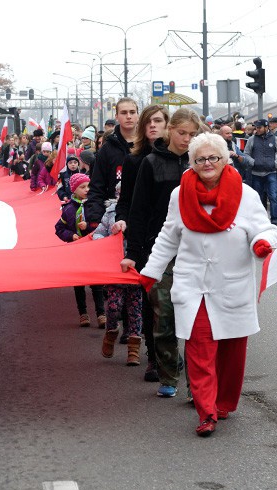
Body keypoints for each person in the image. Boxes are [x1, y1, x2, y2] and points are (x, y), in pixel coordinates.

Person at [138, 133, 277, 437]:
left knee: (231, 351)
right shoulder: (180, 195)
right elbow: (168, 236)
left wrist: (262, 243)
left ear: (225, 159)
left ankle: (224, 402)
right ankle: (206, 411)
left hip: (232, 286)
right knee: (199, 349)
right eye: (199, 159)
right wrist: (151, 271)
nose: (206, 164)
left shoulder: (245, 194)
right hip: (193, 285)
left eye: (213, 157)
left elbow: (263, 228)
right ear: (192, 164)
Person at [122, 108, 201, 398]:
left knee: (195, 321)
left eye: (193, 134)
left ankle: (199, 386)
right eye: (182, 133)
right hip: (160, 250)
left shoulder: (201, 163)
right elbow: (138, 210)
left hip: (196, 251)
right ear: (170, 131)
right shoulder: (151, 163)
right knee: (163, 317)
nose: (187, 139)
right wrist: (134, 252)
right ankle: (169, 374)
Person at [113, 104, 168, 380]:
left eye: (159, 121)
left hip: (179, 239)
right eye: (149, 122)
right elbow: (128, 202)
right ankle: (155, 356)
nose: (154, 126)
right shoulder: (135, 161)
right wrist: (122, 220)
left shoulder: (180, 158)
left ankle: (172, 351)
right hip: (147, 237)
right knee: (151, 299)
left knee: (176, 301)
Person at [92, 197, 143, 365]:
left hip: (136, 270)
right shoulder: (111, 212)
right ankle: (111, 332)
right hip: (115, 271)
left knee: (135, 310)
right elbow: (97, 234)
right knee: (114, 306)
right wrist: (110, 240)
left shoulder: (142, 210)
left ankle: (133, 350)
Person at [54, 173, 105, 328]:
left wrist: (88, 227)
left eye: (88, 186)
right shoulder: (69, 209)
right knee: (79, 283)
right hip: (76, 252)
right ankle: (83, 313)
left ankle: (101, 313)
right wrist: (72, 235)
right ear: (74, 190)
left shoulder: (94, 206)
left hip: (92, 251)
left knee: (97, 283)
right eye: (82, 187)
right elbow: (59, 228)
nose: (86, 190)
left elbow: (101, 225)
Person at [86, 98, 138, 228]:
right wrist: (95, 219)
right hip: (112, 216)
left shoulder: (148, 145)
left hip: (142, 215)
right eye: (124, 112)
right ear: (116, 116)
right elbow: (97, 187)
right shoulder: (107, 149)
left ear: (138, 114)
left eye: (132, 112)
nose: (129, 116)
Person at [244, 119, 277, 226]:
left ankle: (275, 221)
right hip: (256, 173)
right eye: (256, 128)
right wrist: (253, 162)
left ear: (266, 128)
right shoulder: (252, 139)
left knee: (273, 197)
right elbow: (246, 154)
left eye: (259, 127)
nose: (257, 130)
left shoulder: (275, 139)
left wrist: (275, 164)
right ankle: (262, 221)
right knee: (259, 198)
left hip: (271, 173)